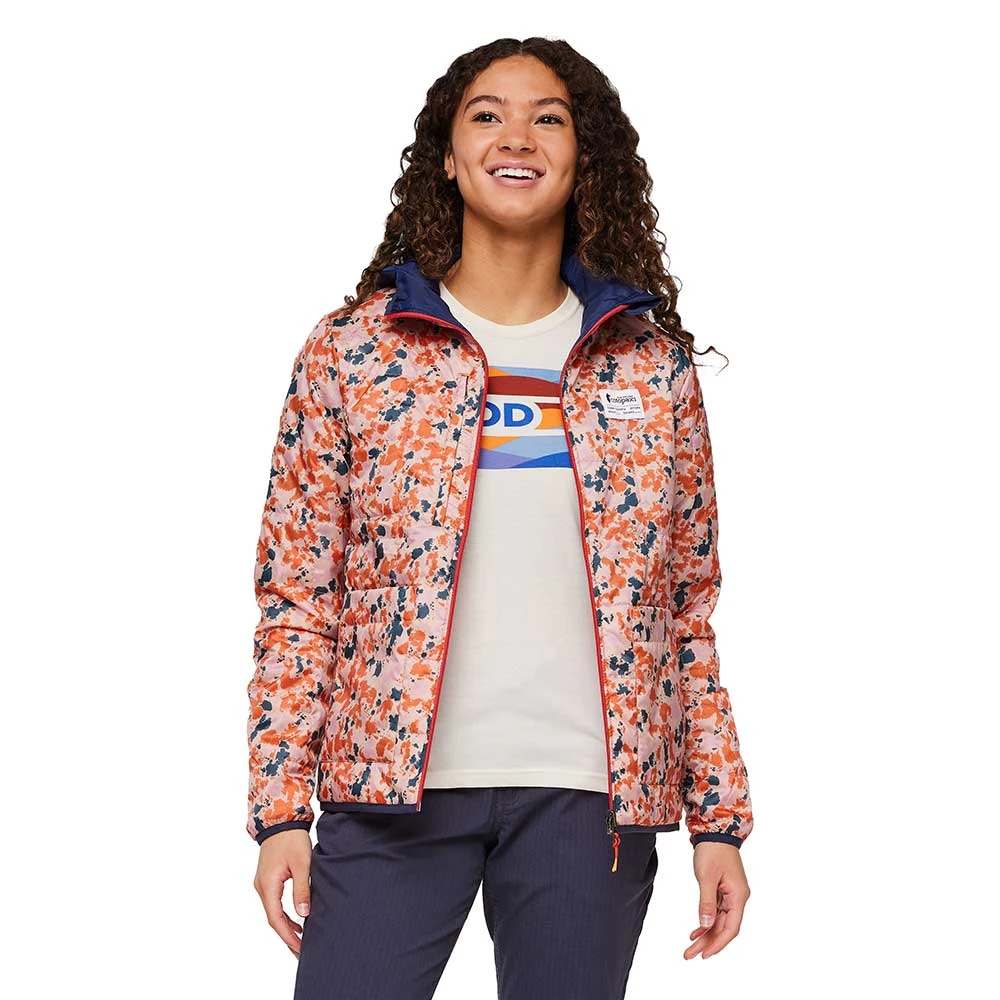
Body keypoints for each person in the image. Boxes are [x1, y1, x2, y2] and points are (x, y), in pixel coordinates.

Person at [246, 36, 754, 1000]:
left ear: (584, 156)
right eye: (487, 115)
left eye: (547, 118)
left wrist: (718, 820)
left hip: (591, 800)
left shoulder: (650, 369)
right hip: (389, 793)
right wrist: (279, 810)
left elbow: (686, 610)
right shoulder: (355, 352)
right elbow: (298, 597)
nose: (516, 136)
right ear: (446, 155)